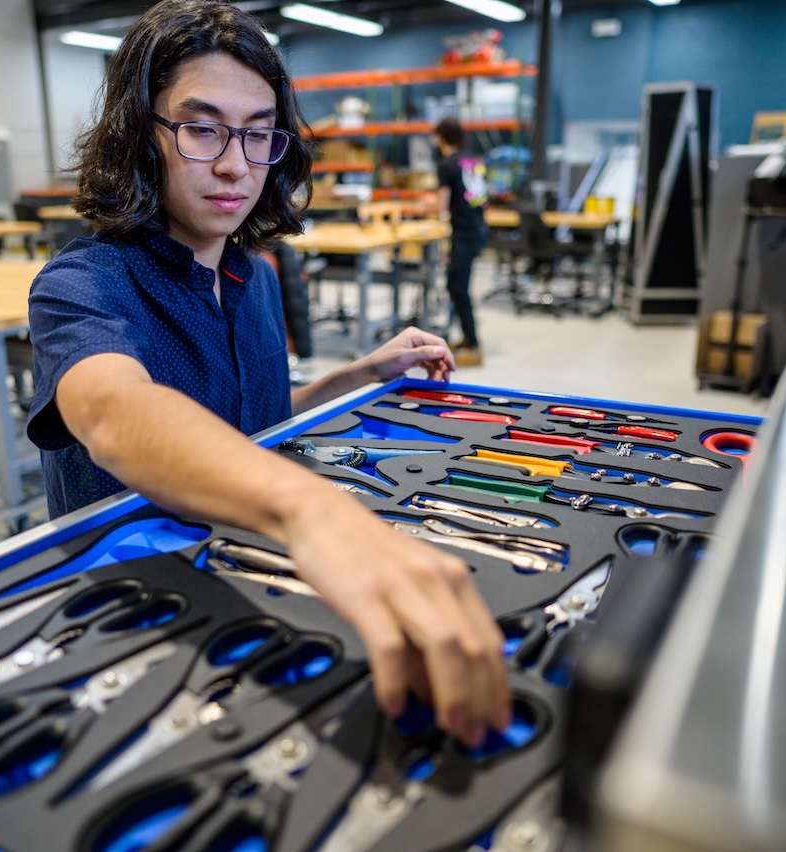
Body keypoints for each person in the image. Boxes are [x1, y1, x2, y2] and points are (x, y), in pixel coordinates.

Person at [26, 0, 510, 745]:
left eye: (258, 134)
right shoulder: (84, 285)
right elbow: (115, 413)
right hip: (129, 619)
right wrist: (314, 514)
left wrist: (359, 375)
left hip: (242, 586)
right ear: (138, 134)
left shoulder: (249, 275)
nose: (235, 164)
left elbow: (248, 425)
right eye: (202, 128)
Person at [432, 116, 491, 367]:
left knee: (458, 288)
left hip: (464, 232)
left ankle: (475, 347)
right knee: (458, 285)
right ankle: (467, 339)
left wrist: (432, 207)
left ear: (442, 137)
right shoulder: (474, 159)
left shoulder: (446, 165)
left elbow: (442, 207)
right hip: (478, 228)